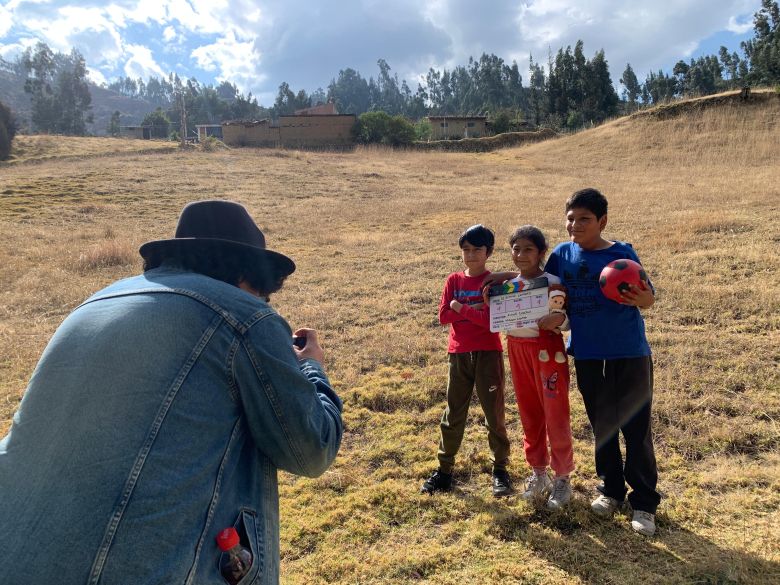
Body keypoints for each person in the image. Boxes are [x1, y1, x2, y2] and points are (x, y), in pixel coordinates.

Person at [0, 200, 343, 584]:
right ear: (248, 273)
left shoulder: (95, 303)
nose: (263, 302)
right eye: (264, 293)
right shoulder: (246, 317)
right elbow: (311, 448)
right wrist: (312, 366)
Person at [544, 188, 660, 536]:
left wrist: (645, 298)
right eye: (570, 218)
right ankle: (611, 490)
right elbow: (541, 286)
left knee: (636, 428)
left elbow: (648, 297)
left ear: (602, 221)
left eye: (584, 219)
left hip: (629, 352)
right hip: (588, 353)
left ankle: (644, 503)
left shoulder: (623, 253)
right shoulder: (562, 254)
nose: (575, 225)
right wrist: (501, 280)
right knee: (603, 425)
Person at [420, 224, 512, 497]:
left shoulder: (493, 283)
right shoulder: (454, 281)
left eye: (477, 250)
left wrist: (460, 308)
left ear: (489, 252)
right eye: (466, 250)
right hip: (458, 353)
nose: (471, 255)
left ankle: (500, 470)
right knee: (453, 413)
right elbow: (443, 317)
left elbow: (492, 323)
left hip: (488, 353)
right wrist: (475, 309)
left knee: (494, 414)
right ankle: (444, 470)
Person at [488, 226, 575, 510]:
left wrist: (557, 321)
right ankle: (538, 472)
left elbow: (564, 320)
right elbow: (499, 316)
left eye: (528, 249)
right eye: (516, 248)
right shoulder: (508, 287)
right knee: (529, 412)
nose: (521, 254)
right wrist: (492, 302)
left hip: (546, 352)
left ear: (541, 253)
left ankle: (562, 478)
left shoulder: (552, 282)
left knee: (555, 413)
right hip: (516, 350)